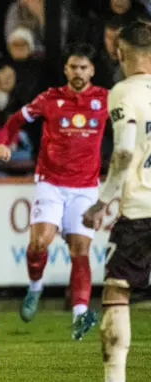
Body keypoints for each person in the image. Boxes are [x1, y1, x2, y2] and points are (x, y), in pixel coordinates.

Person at [0, 43, 109, 339]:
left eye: (84, 67)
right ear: (66, 69)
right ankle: (35, 288)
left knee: (80, 249)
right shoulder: (50, 98)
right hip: (51, 183)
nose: (79, 72)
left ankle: (80, 315)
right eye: (74, 67)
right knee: (39, 243)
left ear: (92, 70)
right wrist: (3, 141)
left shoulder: (105, 99)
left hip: (85, 187)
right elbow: (15, 119)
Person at [81, 20, 151, 382]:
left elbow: (123, 152)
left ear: (121, 53)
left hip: (140, 211)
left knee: (117, 292)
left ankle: (115, 377)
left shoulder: (124, 92)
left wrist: (101, 202)